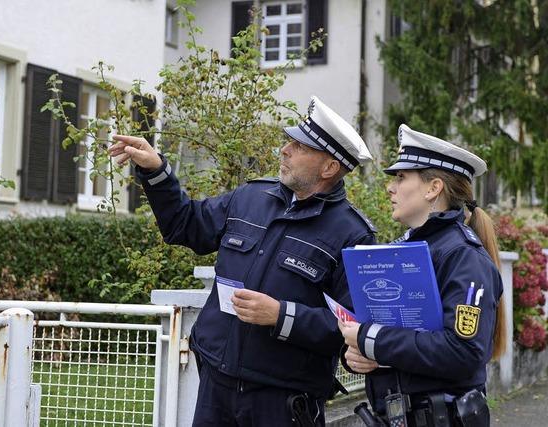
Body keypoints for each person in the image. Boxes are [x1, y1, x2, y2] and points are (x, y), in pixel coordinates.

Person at [109, 96, 376, 426]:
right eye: (288, 141)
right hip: (216, 388)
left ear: (329, 167)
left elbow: (352, 328)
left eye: (299, 146)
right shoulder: (251, 197)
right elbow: (185, 224)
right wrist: (155, 171)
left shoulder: (353, 234)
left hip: (283, 402)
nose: (284, 150)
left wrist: (281, 315)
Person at [338, 124, 506, 427]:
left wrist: (373, 339)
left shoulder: (464, 257)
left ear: (433, 188)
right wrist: (359, 354)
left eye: (401, 178)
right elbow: (400, 336)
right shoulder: (407, 250)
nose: (391, 187)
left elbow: (463, 351)